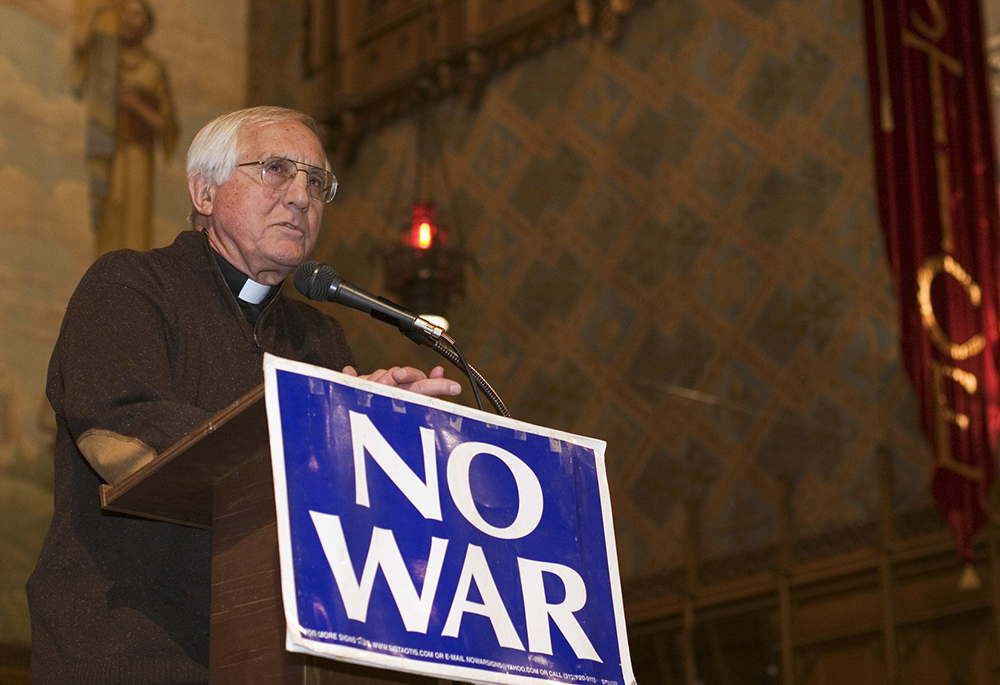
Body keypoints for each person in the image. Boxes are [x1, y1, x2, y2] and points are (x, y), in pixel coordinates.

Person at [26, 106, 460, 684]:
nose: (301, 197)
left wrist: (384, 432)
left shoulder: (319, 335)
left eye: (316, 182)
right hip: (131, 646)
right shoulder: (130, 285)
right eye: (276, 169)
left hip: (274, 660)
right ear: (204, 192)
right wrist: (310, 419)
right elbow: (119, 441)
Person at [72, 0, 178, 255]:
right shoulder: (106, 55)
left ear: (147, 24)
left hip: (138, 155)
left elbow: (167, 124)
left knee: (134, 220)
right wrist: (97, 10)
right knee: (109, 216)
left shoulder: (154, 68)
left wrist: (136, 106)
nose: (129, 20)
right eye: (125, 14)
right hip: (108, 148)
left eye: (136, 15)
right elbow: (79, 45)